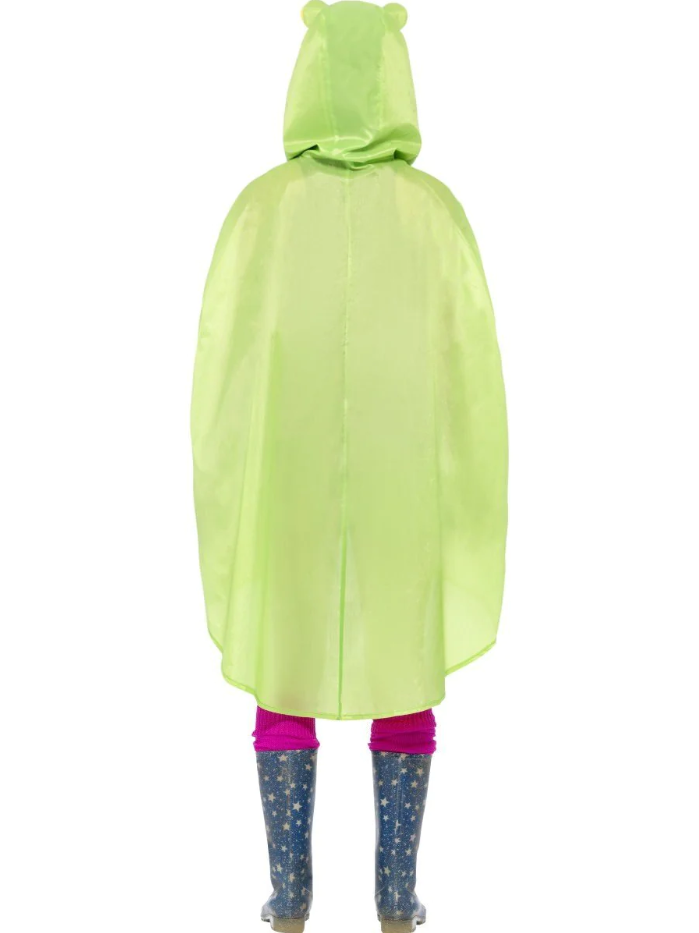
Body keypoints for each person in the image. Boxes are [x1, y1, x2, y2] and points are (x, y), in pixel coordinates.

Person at [190, 2, 508, 931]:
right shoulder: (432, 211)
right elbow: (468, 361)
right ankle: (395, 901)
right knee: (401, 663)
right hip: (404, 478)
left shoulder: (261, 209)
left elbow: (225, 359)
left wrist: (238, 464)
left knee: (283, 661)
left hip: (285, 475)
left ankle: (289, 899)